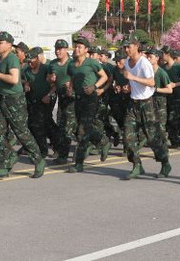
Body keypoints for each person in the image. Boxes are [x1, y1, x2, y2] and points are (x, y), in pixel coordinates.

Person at [0, 31, 45, 180]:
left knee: (21, 133)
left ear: (9, 45)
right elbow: (2, 80)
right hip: (1, 98)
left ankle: (38, 160)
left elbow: (13, 79)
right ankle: (2, 165)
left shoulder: (11, 58)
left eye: (1, 42)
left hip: (14, 100)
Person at [122, 35, 171, 180]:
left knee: (152, 137)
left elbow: (151, 82)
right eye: (125, 47)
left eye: (129, 46)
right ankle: (137, 165)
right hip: (133, 103)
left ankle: (165, 163)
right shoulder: (127, 62)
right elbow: (131, 80)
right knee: (128, 136)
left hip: (147, 103)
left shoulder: (144, 63)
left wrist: (132, 78)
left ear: (137, 46)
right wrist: (128, 87)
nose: (126, 49)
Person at [66, 36, 111, 173]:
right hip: (78, 98)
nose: (77, 49)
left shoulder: (92, 63)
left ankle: (79, 163)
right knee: (81, 128)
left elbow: (104, 77)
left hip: (90, 98)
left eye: (80, 47)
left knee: (83, 130)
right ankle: (103, 141)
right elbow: (72, 77)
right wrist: (70, 88)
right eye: (76, 46)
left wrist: (94, 86)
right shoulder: (71, 64)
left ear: (86, 50)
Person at [23, 46, 56, 157]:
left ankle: (57, 147)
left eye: (31, 61)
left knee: (46, 125)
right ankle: (43, 150)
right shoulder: (27, 71)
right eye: (27, 62)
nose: (29, 64)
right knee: (36, 126)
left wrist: (49, 95)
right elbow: (27, 81)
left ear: (37, 59)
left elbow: (54, 85)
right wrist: (26, 85)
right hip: (34, 101)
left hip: (46, 99)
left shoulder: (46, 68)